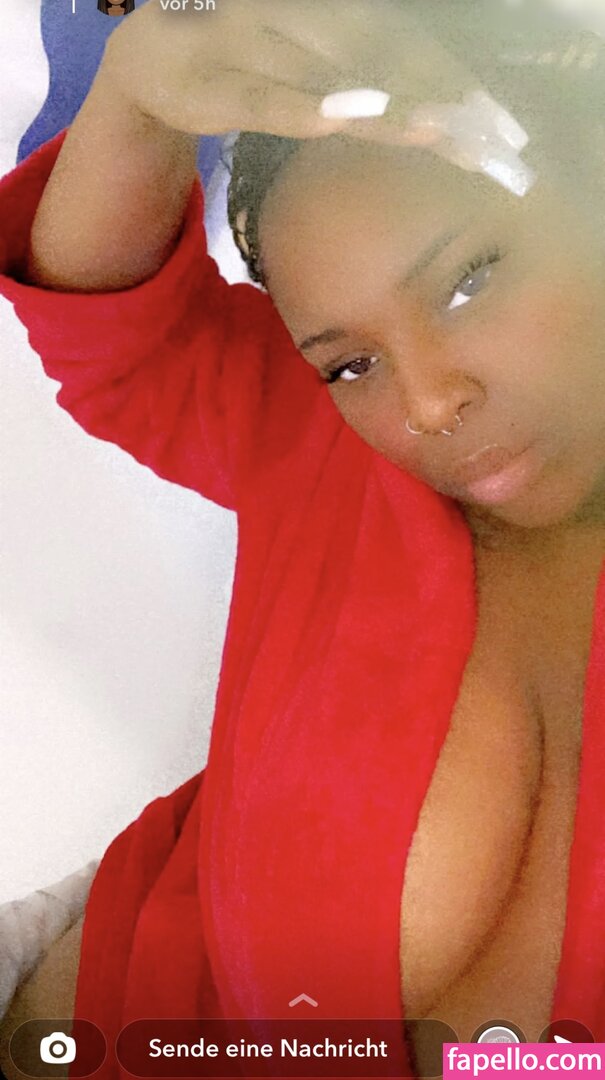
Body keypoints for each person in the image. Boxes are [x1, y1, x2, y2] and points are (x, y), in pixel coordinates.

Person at [0, 1, 603, 1076]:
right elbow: (115, 341)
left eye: (468, 279)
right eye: (348, 362)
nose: (426, 404)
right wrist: (134, 99)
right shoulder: (320, 444)